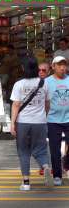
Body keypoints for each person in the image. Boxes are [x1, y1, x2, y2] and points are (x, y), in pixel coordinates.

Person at [10, 59, 53, 190]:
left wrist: (12, 123)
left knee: (23, 151)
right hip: (39, 122)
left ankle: (26, 183)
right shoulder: (44, 83)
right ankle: (45, 166)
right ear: (36, 69)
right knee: (41, 149)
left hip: (23, 122)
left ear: (23, 68)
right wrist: (43, 116)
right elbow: (47, 104)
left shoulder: (19, 84)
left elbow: (16, 105)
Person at [44, 56, 69, 186]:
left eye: (64, 65)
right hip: (53, 120)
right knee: (54, 150)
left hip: (68, 119)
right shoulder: (47, 82)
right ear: (53, 66)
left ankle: (66, 165)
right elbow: (44, 102)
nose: (63, 67)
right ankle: (57, 176)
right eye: (59, 65)